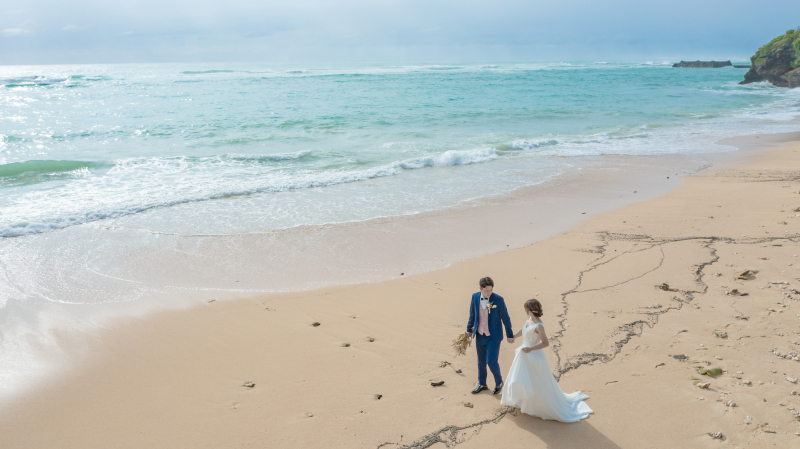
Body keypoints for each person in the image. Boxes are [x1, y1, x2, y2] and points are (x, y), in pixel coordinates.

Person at [500, 299, 593, 422]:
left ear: (530, 310)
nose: (525, 311)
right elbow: (524, 331)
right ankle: (525, 402)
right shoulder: (529, 320)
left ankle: (537, 406)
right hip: (523, 355)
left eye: (526, 309)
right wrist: (513, 337)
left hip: (533, 356)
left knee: (537, 381)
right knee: (522, 378)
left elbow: (545, 343)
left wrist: (531, 348)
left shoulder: (539, 326)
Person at [465, 277, 514, 395]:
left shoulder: (498, 299)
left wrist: (509, 334)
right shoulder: (475, 296)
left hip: (494, 336)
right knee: (481, 361)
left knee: (491, 362)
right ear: (480, 288)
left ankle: (499, 382)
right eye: (486, 290)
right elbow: (472, 314)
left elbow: (505, 317)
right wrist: (469, 329)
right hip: (480, 334)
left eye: (491, 290)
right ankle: (482, 384)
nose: (489, 293)